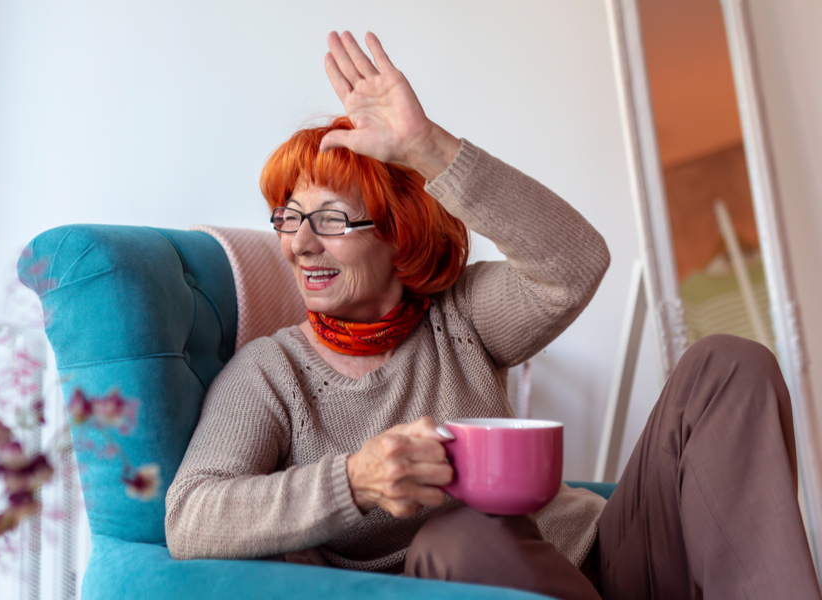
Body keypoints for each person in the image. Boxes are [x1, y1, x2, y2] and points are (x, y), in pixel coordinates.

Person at [164, 31, 820, 600]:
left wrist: (427, 147)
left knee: (727, 363)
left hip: (610, 557)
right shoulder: (270, 372)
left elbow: (576, 263)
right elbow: (192, 517)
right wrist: (354, 480)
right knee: (461, 533)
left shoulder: (461, 318)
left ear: (398, 234)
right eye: (288, 218)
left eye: (330, 219)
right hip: (472, 576)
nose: (299, 243)